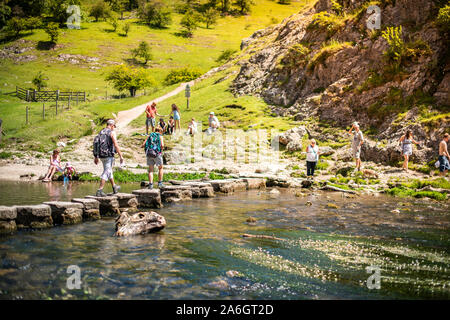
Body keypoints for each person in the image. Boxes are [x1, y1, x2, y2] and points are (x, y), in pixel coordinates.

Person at [93, 119, 124, 197]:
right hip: (108, 155)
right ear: (112, 125)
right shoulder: (111, 132)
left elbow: (96, 143)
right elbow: (116, 145)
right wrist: (121, 155)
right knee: (106, 171)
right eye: (114, 126)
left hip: (101, 155)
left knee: (109, 170)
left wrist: (96, 156)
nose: (114, 128)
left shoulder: (101, 132)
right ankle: (99, 190)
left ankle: (114, 187)